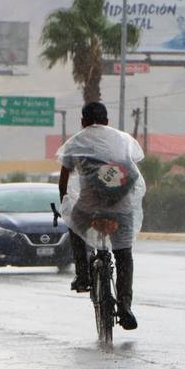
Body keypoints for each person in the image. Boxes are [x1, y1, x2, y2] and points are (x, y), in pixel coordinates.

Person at [57, 102, 145, 331]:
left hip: (89, 209)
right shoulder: (123, 140)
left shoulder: (76, 141)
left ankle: (83, 275)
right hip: (122, 208)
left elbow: (64, 180)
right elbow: (131, 173)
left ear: (83, 121)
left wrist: (64, 203)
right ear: (107, 120)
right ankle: (125, 306)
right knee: (124, 255)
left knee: (73, 222)